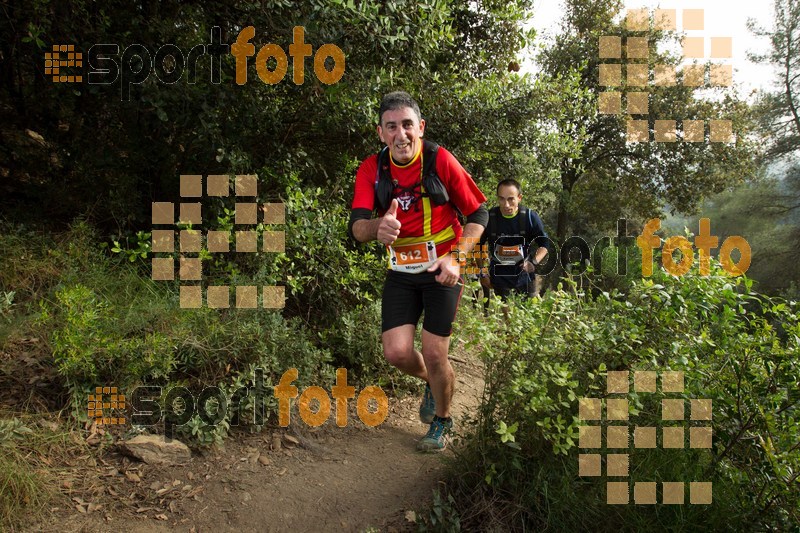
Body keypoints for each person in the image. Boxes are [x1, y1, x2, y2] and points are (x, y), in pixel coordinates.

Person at [349, 91, 488, 452]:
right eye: (391, 127)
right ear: (381, 132)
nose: (401, 134)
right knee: (396, 353)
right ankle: (432, 380)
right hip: (401, 270)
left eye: (407, 125)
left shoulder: (439, 159)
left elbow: (479, 215)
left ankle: (442, 420)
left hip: (443, 265)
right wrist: (377, 226)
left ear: (420, 127)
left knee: (436, 351)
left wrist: (456, 258)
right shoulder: (372, 169)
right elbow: (357, 227)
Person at [479, 179, 549, 304]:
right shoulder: (489, 217)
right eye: (501, 199)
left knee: (529, 317)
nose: (506, 205)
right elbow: (477, 246)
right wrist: (482, 273)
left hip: (525, 276)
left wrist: (533, 262)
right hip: (499, 277)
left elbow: (544, 244)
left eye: (511, 199)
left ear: (519, 198)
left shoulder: (529, 217)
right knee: (506, 318)